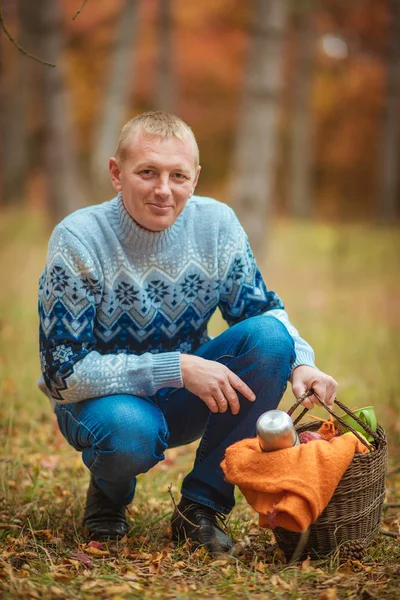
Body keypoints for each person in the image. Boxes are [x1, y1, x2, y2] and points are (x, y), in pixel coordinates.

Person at [38, 111, 337, 555]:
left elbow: (261, 312)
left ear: (195, 178)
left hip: (188, 396)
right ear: (117, 174)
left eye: (178, 175)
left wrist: (302, 360)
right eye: (147, 172)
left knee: (271, 339)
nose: (164, 189)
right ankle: (110, 492)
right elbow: (63, 373)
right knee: (128, 432)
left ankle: (200, 507)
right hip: (101, 403)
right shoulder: (79, 239)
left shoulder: (215, 226)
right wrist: (175, 367)